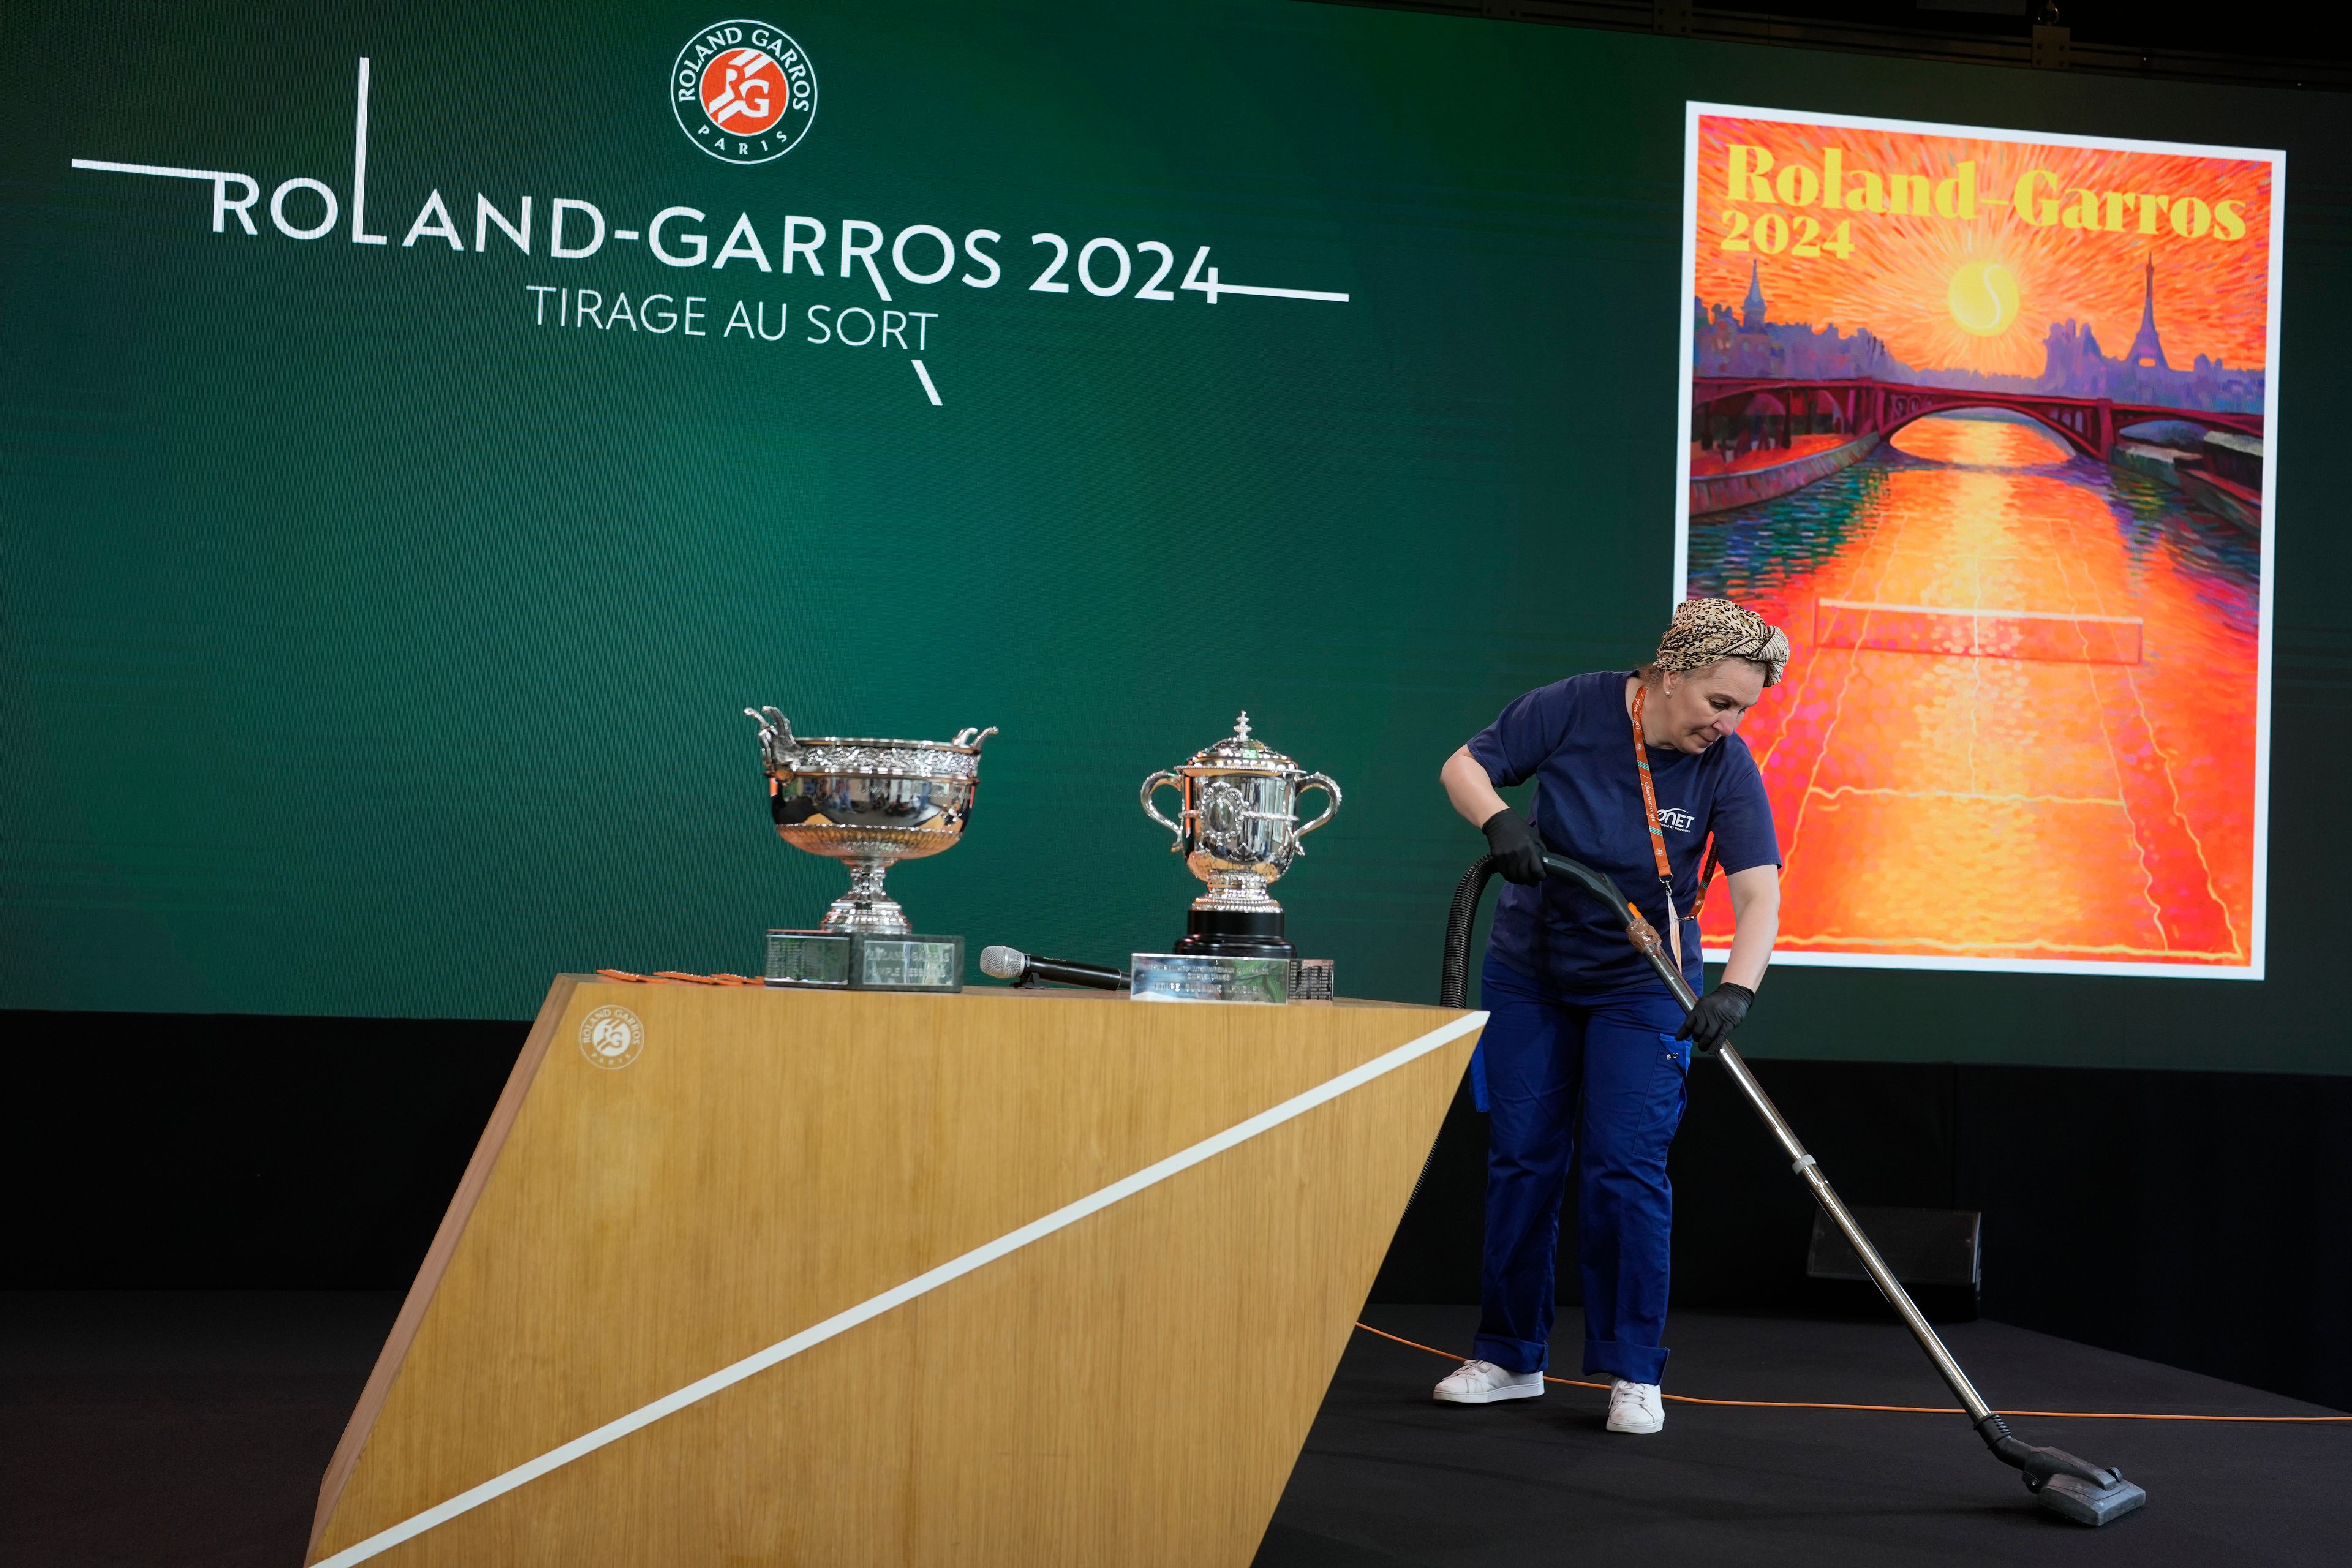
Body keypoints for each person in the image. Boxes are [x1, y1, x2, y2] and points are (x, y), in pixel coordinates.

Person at [1431, 598, 1789, 1434]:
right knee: (1523, 1160)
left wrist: (1735, 989)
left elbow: (1756, 889)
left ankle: (1633, 1370)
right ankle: (1510, 1355)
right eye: (1719, 703)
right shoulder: (1574, 705)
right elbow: (1462, 766)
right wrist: (1501, 821)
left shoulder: (1726, 768)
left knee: (1625, 1169)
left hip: (1643, 985)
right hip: (1532, 974)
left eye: (1742, 710)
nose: (1729, 725)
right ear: (1668, 676)